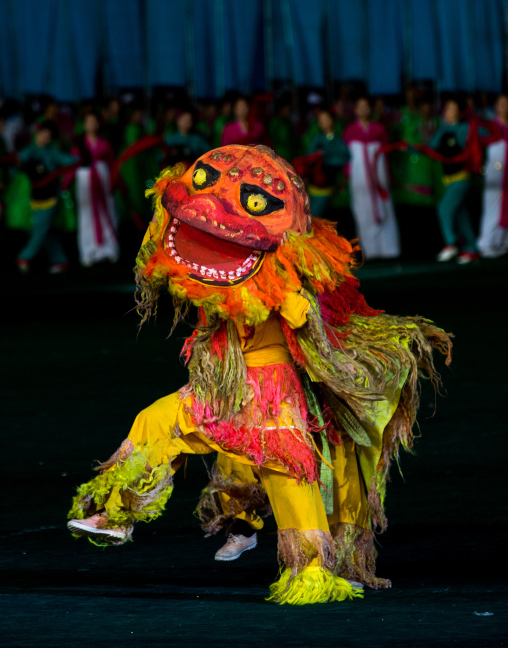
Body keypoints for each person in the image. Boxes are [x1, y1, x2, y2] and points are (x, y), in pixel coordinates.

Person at [67, 144, 451, 605]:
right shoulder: (213, 277)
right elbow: (174, 261)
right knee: (157, 420)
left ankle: (313, 571)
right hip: (224, 389)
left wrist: (302, 313)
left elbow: (314, 327)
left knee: (291, 480)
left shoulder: (287, 284)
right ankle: (116, 514)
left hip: (275, 398)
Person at [15, 121, 76, 273]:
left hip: (50, 198)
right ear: (37, 134)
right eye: (42, 134)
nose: (44, 138)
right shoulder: (29, 151)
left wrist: (82, 158)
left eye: (48, 136)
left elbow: (68, 160)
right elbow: (15, 162)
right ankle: (60, 260)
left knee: (40, 230)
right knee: (44, 231)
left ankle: (24, 257)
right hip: (34, 198)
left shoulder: (53, 152)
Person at [343, 97, 401, 259]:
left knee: (385, 209)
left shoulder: (379, 129)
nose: (362, 110)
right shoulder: (349, 131)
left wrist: (388, 176)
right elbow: (346, 157)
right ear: (354, 110)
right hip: (359, 178)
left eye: (365, 106)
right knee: (363, 212)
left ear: (371, 109)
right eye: (359, 106)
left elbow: (387, 154)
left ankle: (389, 249)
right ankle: (371, 250)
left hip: (379, 176)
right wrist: (347, 176)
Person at [430, 99, 479, 264]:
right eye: (447, 108)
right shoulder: (443, 130)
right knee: (460, 214)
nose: (449, 111)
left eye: (453, 108)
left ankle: (451, 242)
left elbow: (464, 148)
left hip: (462, 177)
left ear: (460, 112)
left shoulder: (464, 129)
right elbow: (432, 147)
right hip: (448, 179)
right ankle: (471, 248)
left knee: (444, 208)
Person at [71, 111, 119, 267]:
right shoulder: (78, 144)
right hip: (85, 180)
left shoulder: (105, 144)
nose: (91, 124)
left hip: (102, 178)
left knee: (108, 212)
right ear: (84, 124)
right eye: (88, 121)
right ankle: (88, 251)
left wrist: (114, 182)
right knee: (86, 214)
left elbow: (113, 164)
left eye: (94, 121)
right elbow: (71, 164)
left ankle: (109, 249)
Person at [477, 93, 508, 258]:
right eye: (502, 103)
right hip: (496, 171)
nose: (505, 107)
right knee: (493, 205)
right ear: (496, 107)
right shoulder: (491, 127)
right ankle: (487, 243)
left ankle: (503, 242)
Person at [306, 109, 350, 218]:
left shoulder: (338, 140)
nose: (323, 122)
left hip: (331, 185)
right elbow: (309, 159)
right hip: (315, 184)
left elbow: (345, 157)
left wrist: (325, 156)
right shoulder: (317, 139)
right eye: (320, 120)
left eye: (325, 119)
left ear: (332, 120)